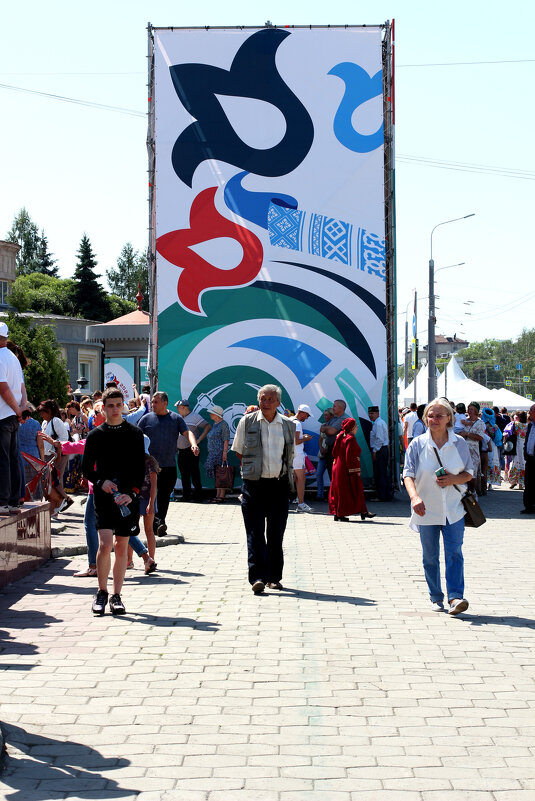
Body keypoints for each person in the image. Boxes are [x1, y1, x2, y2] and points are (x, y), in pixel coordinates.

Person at [403, 397, 474, 615]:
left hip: (453, 508)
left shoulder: (459, 443)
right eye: (430, 415)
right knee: (430, 556)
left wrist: (453, 479)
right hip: (426, 509)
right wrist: (415, 497)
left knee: (454, 553)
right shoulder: (418, 443)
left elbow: (469, 473)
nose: (434, 419)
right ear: (425, 419)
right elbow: (408, 474)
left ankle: (455, 597)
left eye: (439, 415)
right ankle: (436, 596)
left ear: (449, 418)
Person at [82, 387, 146, 615]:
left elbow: (141, 468)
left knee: (122, 546)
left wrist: (134, 492)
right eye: (111, 405)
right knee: (105, 544)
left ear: (124, 407)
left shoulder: (135, 433)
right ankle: (101, 591)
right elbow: (86, 469)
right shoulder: (95, 435)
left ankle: (117, 596)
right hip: (104, 496)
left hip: (127, 499)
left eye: (119, 405)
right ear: (103, 408)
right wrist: (102, 482)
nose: (115, 409)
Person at [231, 384, 295, 594]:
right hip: (253, 485)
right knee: (255, 533)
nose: (266, 403)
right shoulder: (247, 421)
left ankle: (274, 578)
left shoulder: (287, 424)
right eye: (262, 399)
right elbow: (239, 451)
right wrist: (254, 468)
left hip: (278, 485)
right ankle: (257, 577)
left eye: (270, 399)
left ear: (278, 402)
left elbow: (289, 455)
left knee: (276, 534)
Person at [138, 391, 198, 534]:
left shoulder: (175, 418)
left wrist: (193, 444)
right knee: (151, 496)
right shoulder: (146, 419)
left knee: (164, 497)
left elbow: (187, 432)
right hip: (148, 468)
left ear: (165, 403)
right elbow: (136, 436)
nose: (152, 405)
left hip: (168, 466)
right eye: (152, 402)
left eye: (156, 402)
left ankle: (159, 522)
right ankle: (155, 523)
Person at [329, 417, 375, 522]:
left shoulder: (340, 436)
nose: (357, 428)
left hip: (337, 467)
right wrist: (355, 471)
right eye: (356, 426)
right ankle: (360, 512)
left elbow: (334, 452)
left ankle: (338, 513)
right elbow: (350, 456)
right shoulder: (350, 438)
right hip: (346, 468)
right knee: (354, 489)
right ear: (352, 427)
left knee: (339, 491)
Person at [0, 322, 24, 514]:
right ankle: (14, 500)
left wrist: (17, 410)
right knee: (14, 458)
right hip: (13, 417)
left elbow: (3, 388)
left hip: (3, 415)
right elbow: (22, 389)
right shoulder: (14, 359)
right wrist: (21, 410)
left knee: (3, 459)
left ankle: (2, 501)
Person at [37, 398, 73, 512]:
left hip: (58, 455)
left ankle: (64, 500)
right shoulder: (45, 422)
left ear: (50, 411)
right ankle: (59, 502)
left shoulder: (56, 421)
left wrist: (57, 453)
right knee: (52, 481)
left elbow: (64, 439)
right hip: (49, 456)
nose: (41, 414)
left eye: (44, 411)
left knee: (56, 481)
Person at [175, 399, 211, 502]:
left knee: (194, 473)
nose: (177, 410)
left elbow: (207, 426)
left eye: (179, 408)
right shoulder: (179, 418)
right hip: (180, 450)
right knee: (184, 474)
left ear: (184, 407)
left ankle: (198, 496)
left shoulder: (195, 416)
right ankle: (186, 496)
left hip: (191, 449)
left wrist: (198, 440)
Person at [457, 402, 485, 494]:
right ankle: (463, 493)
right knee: (461, 472)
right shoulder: (464, 421)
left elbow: (480, 437)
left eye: (472, 409)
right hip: (462, 450)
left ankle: (472, 492)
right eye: (468, 409)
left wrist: (467, 434)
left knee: (472, 473)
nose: (469, 411)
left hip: (473, 451)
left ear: (476, 411)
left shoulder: (480, 423)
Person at [204, 405, 230, 503]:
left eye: (212, 413)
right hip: (213, 453)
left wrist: (224, 453)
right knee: (217, 475)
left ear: (216, 414)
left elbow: (226, 439)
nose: (210, 414)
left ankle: (221, 495)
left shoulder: (223, 424)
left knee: (220, 475)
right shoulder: (215, 424)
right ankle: (218, 494)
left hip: (219, 453)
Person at [290, 404, 313, 512]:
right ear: (303, 413)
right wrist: (305, 439)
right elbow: (296, 441)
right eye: (307, 415)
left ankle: (297, 501)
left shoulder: (290, 420)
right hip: (297, 455)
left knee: (293, 479)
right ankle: (301, 503)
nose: (307, 418)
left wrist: (302, 438)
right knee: (301, 479)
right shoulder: (297, 423)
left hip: (290, 454)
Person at [18, 406, 45, 500]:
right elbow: (40, 445)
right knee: (34, 484)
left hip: (20, 457)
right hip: (34, 458)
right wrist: (42, 460)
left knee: (22, 483)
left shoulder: (17, 423)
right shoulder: (36, 424)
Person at [368, 405, 393, 501]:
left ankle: (382, 496)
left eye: (372, 413)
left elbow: (380, 439)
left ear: (378, 413)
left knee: (380, 473)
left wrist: (374, 451)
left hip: (380, 450)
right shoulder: (379, 422)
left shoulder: (378, 423)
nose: (371, 415)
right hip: (382, 449)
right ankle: (384, 495)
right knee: (381, 473)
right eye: (369, 413)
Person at [319, 399, 349, 478]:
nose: (333, 408)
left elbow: (331, 432)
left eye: (334, 406)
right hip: (330, 450)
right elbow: (322, 429)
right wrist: (327, 429)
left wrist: (327, 429)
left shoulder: (343, 419)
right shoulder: (334, 419)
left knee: (337, 476)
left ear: (341, 407)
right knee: (331, 474)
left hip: (338, 451)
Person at [504, 411, 527, 489]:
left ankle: (513, 481)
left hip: (517, 445)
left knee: (515, 463)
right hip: (525, 446)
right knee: (523, 463)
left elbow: (507, 432)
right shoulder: (528, 425)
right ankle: (521, 483)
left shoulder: (515, 424)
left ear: (519, 417)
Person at [481, 407, 502, 489]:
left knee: (484, 464)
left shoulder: (481, 424)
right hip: (493, 445)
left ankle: (484, 482)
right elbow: (499, 437)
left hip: (483, 445)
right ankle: (490, 484)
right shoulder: (495, 426)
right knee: (492, 463)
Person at [316, 407, 333, 501]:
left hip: (331, 454)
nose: (325, 416)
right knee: (318, 474)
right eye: (324, 415)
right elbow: (320, 439)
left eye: (327, 415)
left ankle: (333, 495)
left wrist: (327, 449)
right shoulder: (323, 425)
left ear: (331, 415)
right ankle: (320, 494)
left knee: (332, 475)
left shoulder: (334, 426)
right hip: (323, 455)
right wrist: (321, 448)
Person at [521, 404, 535, 514]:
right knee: (528, 483)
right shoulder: (530, 425)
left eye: (531, 411)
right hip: (529, 459)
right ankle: (528, 506)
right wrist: (525, 453)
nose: (529, 413)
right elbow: (527, 440)